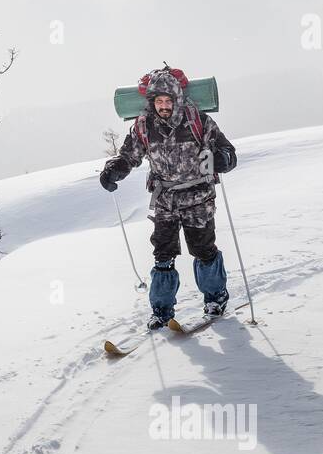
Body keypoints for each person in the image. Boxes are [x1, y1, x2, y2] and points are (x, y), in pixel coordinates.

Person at [99, 66, 238, 329]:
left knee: (204, 252)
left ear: (177, 99)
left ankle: (215, 297)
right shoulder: (143, 126)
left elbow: (228, 151)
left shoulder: (199, 121)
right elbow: (129, 156)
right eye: (158, 101)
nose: (163, 106)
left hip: (199, 199)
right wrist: (114, 170)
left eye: (168, 101)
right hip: (165, 201)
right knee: (163, 257)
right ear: (152, 102)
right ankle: (161, 310)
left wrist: (223, 159)